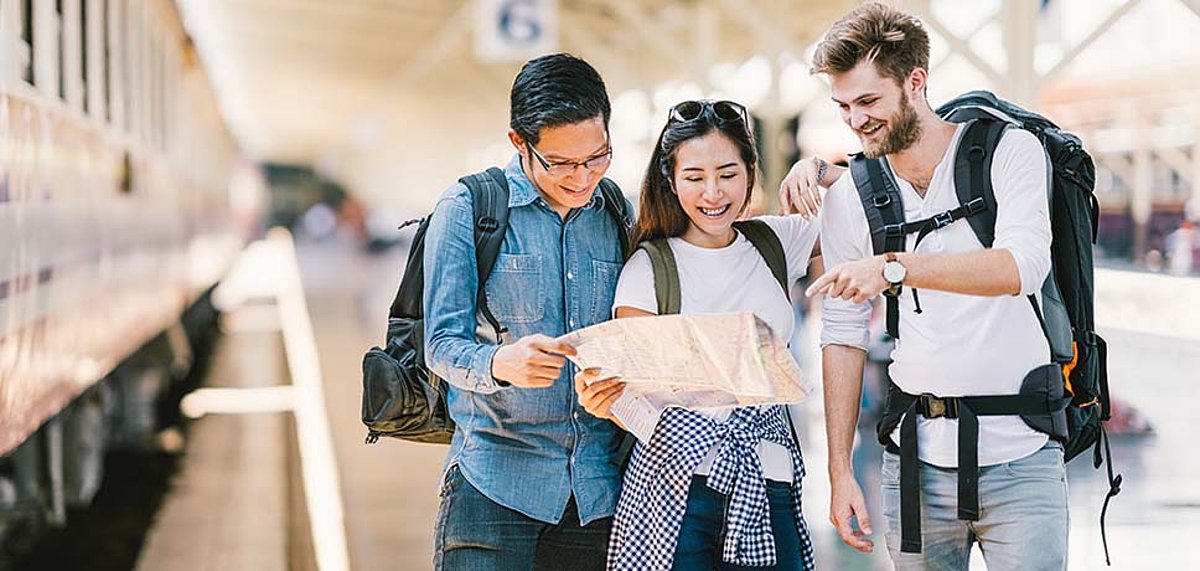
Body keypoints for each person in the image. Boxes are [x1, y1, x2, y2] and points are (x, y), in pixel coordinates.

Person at [796, 3, 1068, 569]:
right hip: (913, 466)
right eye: (843, 106)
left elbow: (1021, 268)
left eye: (869, 101)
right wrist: (840, 471)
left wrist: (895, 267)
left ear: (915, 82)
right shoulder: (850, 196)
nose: (855, 120)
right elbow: (841, 333)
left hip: (1023, 459)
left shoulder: (1006, 151)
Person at [577, 99, 822, 570]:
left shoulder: (777, 242)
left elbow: (876, 224)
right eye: (694, 177)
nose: (713, 192)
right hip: (677, 492)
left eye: (728, 174)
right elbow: (631, 392)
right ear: (670, 180)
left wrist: (819, 170)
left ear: (751, 172)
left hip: (768, 481)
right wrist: (606, 399)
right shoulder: (649, 268)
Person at [422, 53, 629, 571]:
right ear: (519, 142)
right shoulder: (469, 207)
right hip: (493, 487)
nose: (582, 178)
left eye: (597, 157)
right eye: (561, 163)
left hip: (597, 494)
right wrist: (498, 363)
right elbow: (440, 343)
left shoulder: (617, 213)